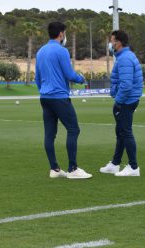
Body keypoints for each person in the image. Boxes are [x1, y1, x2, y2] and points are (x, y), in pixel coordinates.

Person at [35, 22, 91, 179]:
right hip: (59, 97)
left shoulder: (40, 52)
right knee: (74, 129)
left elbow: (37, 78)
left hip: (45, 98)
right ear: (61, 33)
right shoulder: (62, 51)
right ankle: (73, 169)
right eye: (64, 33)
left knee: (49, 134)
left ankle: (55, 169)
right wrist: (81, 79)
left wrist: (44, 91)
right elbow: (69, 74)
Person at [100, 30, 143, 177]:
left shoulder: (124, 59)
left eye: (112, 41)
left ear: (118, 42)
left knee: (125, 132)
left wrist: (118, 102)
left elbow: (126, 84)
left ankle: (133, 167)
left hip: (126, 101)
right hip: (128, 99)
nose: (110, 44)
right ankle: (115, 163)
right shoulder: (125, 56)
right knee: (121, 133)